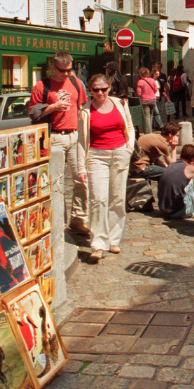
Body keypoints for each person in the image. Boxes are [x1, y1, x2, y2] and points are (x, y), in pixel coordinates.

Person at [77, 73, 135, 262]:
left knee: (117, 199)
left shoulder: (120, 104)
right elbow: (80, 142)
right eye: (96, 90)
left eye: (103, 89)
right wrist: (81, 167)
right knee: (98, 199)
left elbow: (130, 128)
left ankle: (113, 240)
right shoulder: (85, 111)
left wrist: (129, 149)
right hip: (96, 157)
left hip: (119, 154)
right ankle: (98, 243)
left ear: (109, 88)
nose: (100, 93)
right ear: (90, 90)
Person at [30, 52, 89, 236]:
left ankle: (78, 219)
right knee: (57, 182)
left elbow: (83, 108)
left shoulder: (76, 83)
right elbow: (32, 113)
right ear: (53, 68)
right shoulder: (42, 86)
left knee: (81, 179)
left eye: (70, 69)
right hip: (54, 136)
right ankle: (59, 222)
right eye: (63, 70)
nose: (67, 74)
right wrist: (53, 107)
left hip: (74, 136)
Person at [129, 122, 179, 212]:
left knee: (162, 170)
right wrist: (174, 147)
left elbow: (156, 160)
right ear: (170, 134)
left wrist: (165, 166)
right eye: (177, 135)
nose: (177, 138)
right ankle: (165, 205)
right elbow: (173, 165)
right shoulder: (163, 144)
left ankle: (147, 204)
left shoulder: (154, 136)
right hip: (140, 168)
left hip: (135, 165)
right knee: (167, 174)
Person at [158, 144, 194, 220]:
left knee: (186, 179)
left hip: (163, 209)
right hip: (178, 212)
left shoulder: (171, 165)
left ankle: (190, 208)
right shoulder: (190, 169)